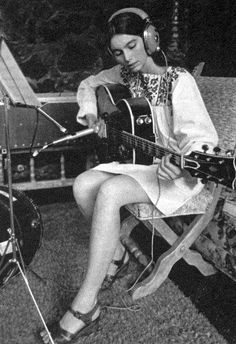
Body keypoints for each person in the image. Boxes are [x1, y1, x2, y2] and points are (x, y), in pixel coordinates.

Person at [40, 7, 218, 344]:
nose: (128, 57)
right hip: (143, 163)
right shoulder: (127, 75)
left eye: (133, 46)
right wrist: (93, 114)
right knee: (83, 185)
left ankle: (85, 305)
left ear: (150, 39)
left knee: (108, 192)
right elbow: (90, 83)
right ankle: (117, 251)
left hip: (177, 174)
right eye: (119, 52)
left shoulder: (179, 80)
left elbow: (202, 139)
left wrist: (183, 160)